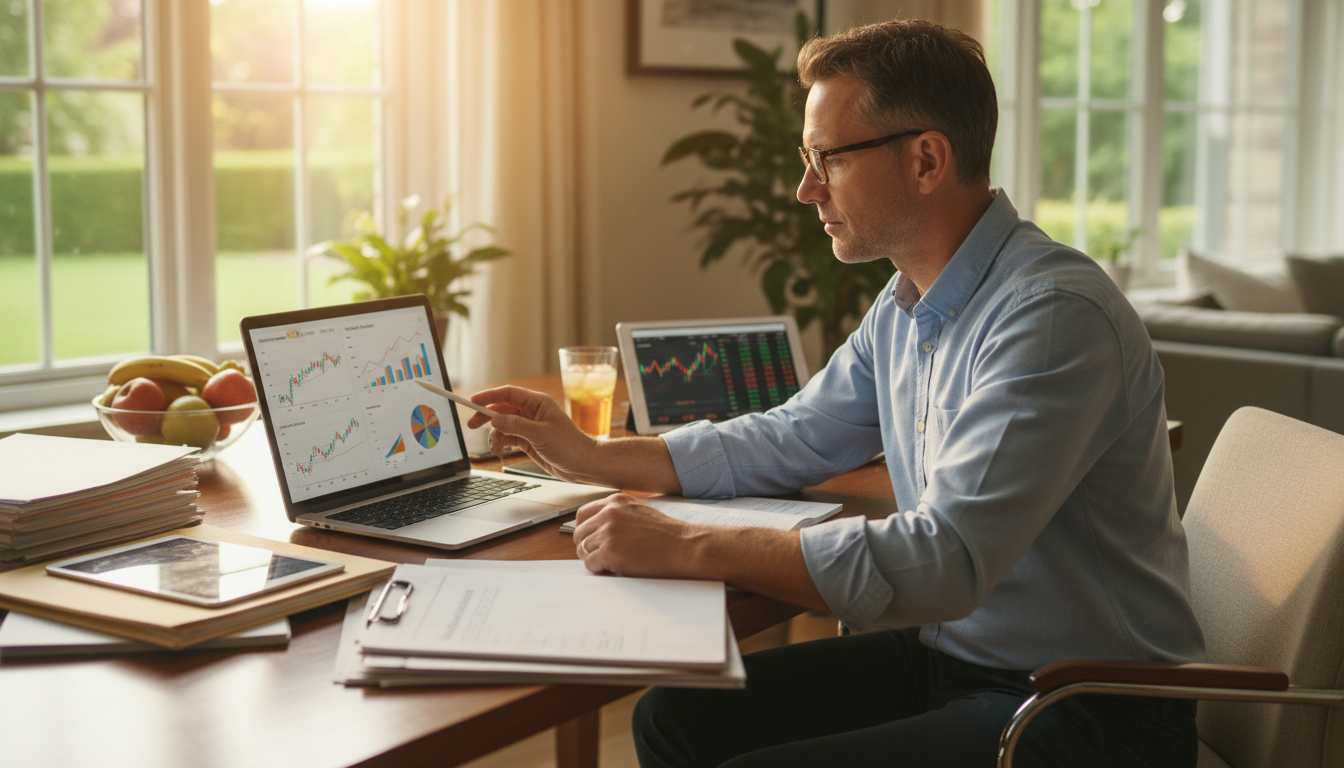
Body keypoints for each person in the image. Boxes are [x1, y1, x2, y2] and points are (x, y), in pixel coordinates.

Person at [466, 19, 1204, 768]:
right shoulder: (908, 302)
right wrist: (595, 453)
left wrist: (686, 543)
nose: (804, 187)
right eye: (806, 159)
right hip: (961, 662)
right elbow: (798, 434)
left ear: (925, 160)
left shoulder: (1050, 317)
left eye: (828, 159)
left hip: (1086, 709)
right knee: (674, 718)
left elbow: (944, 559)